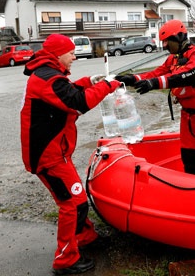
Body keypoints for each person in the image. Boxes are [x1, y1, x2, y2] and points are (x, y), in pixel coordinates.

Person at [20, 34, 120, 275]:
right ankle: (65, 260)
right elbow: (77, 103)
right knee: (72, 203)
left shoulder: (48, 74)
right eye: (71, 52)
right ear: (57, 54)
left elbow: (67, 92)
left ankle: (84, 237)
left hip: (56, 153)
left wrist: (88, 81)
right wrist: (106, 85)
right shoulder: (46, 78)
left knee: (76, 199)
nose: (75, 56)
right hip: (48, 157)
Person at [115, 19, 195, 176]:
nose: (164, 46)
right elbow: (156, 73)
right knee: (189, 159)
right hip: (188, 117)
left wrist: (153, 84)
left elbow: (186, 76)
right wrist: (133, 78)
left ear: (179, 37)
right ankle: (194, 192)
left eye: (167, 41)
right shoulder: (174, 59)